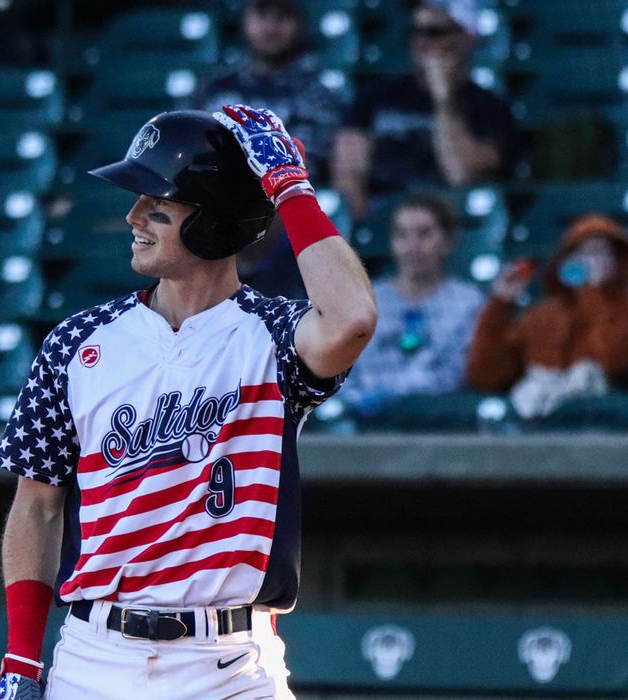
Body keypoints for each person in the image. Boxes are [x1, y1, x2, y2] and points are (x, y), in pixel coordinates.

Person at [0, 106, 376, 700]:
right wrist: (21, 657)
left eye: (158, 203)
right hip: (94, 659)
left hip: (227, 667)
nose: (135, 214)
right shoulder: (78, 343)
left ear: (217, 219)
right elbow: (37, 507)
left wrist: (290, 188)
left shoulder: (273, 336)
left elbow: (351, 318)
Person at [193, 0, 344, 300]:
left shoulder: (317, 92)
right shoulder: (213, 87)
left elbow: (304, 161)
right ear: (246, 19)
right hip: (216, 198)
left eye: (283, 16)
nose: (271, 27)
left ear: (300, 24)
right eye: (262, 14)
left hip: (284, 205)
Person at [331, 0, 515, 221]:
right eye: (415, 32)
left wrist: (443, 99)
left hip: (450, 225)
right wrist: (367, 230)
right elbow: (348, 173)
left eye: (434, 32)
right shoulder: (376, 96)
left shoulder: (490, 106)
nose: (421, 41)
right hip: (383, 221)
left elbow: (462, 175)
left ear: (467, 38)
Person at [466, 214, 628, 418]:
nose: (588, 260)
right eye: (580, 252)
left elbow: (615, 360)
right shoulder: (540, 316)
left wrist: (589, 291)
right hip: (537, 428)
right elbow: (487, 377)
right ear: (563, 261)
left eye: (599, 252)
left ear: (619, 262)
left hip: (606, 424)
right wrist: (499, 305)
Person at [339, 193, 485, 414]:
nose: (412, 246)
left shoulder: (469, 302)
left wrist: (398, 398)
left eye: (425, 234)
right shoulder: (365, 299)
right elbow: (344, 372)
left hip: (438, 419)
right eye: (402, 235)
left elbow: (457, 375)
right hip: (366, 423)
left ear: (448, 241)